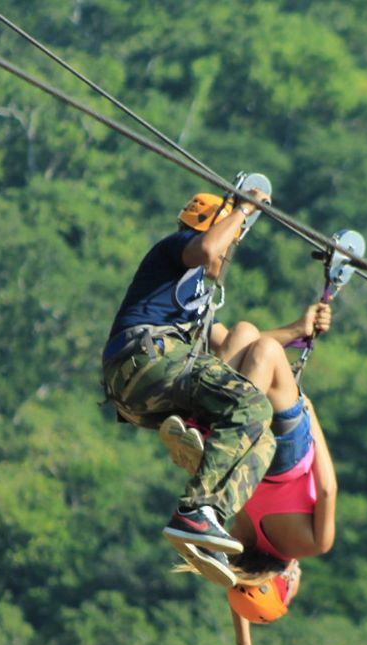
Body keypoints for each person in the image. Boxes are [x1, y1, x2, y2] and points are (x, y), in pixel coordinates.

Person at [164, 304, 337, 645]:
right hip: (245, 452)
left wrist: (312, 417)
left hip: (283, 449)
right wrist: (243, 643)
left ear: (282, 582)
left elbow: (327, 488)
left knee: (257, 347)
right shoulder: (240, 540)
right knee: (243, 337)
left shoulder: (312, 544)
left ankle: (210, 412)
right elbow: (232, 581)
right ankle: (203, 421)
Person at [102, 189, 276, 563]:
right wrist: (243, 210)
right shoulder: (176, 249)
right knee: (251, 403)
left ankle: (209, 521)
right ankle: (194, 509)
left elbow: (232, 341)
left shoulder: (197, 299)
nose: (228, 253)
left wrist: (301, 331)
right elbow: (208, 249)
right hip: (149, 359)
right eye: (229, 239)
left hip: (148, 386)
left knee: (262, 438)